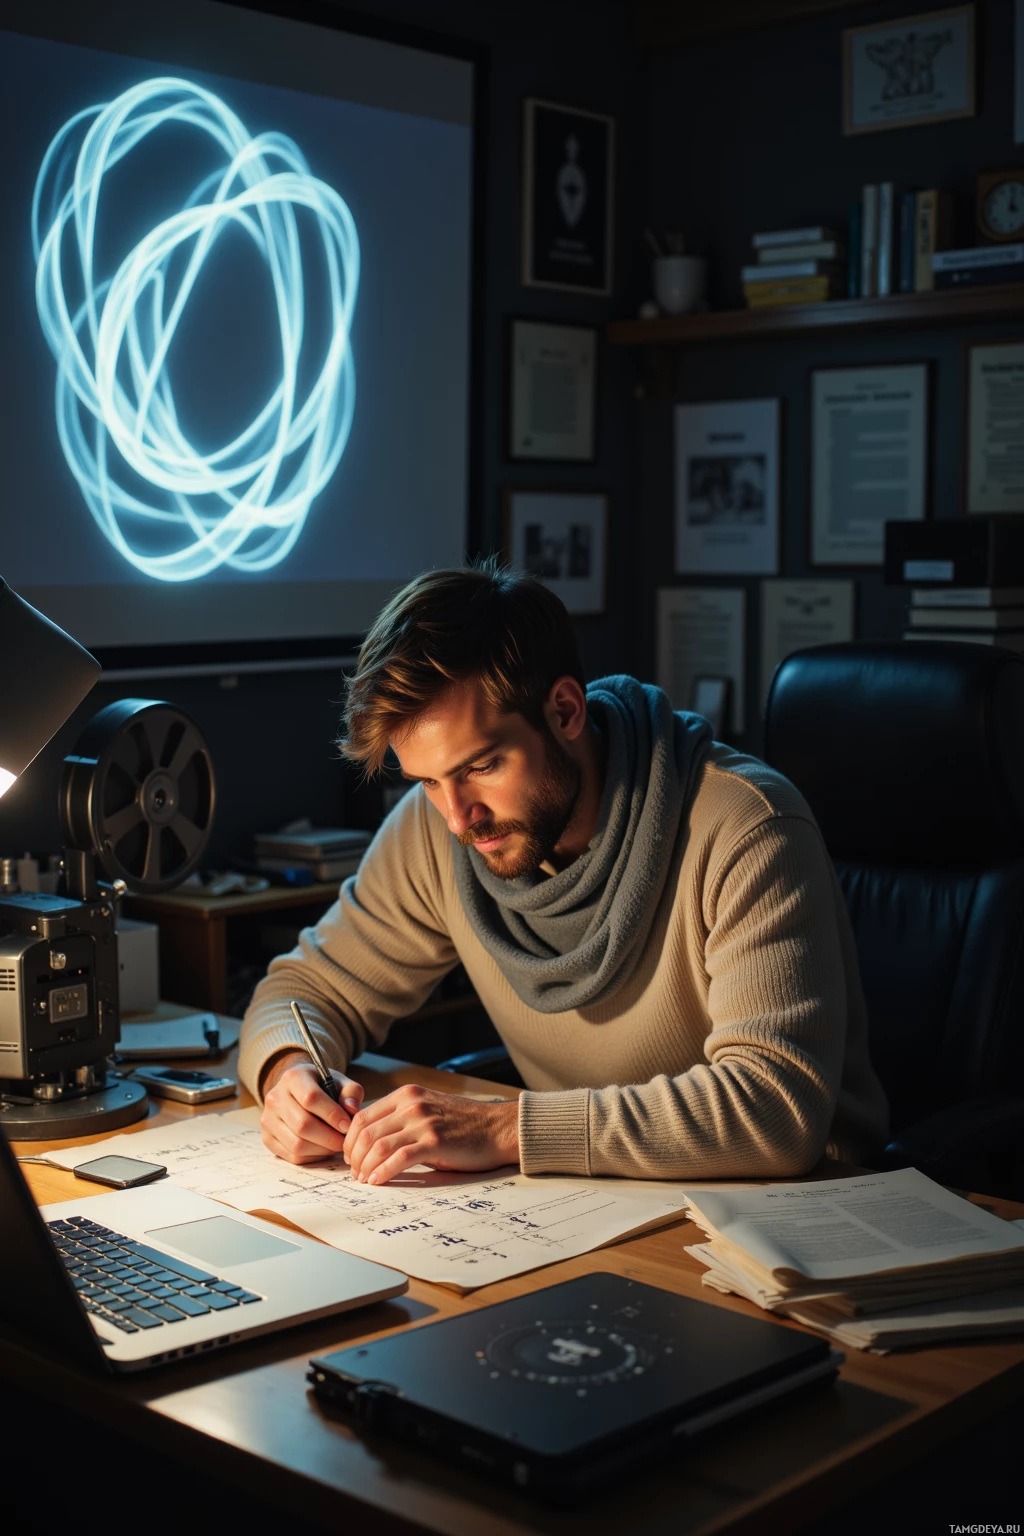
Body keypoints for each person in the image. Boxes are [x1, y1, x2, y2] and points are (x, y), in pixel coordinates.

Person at [240, 561, 888, 1186]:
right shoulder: (438, 826)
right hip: (601, 1197)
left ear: (566, 710)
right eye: (428, 781)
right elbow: (304, 989)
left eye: (483, 766)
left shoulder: (746, 826)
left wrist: (506, 1130)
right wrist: (289, 1074)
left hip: (797, 1218)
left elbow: (773, 1106)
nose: (459, 818)